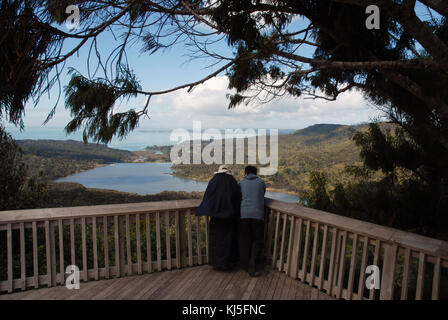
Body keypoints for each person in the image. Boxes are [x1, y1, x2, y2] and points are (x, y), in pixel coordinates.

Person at [196, 165, 241, 271]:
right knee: (229, 240)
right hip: (230, 217)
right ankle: (227, 263)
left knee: (216, 240)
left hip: (216, 217)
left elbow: (208, 197)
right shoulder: (232, 182)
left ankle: (216, 263)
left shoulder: (214, 181)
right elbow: (237, 198)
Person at [238, 165, 266, 277]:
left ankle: (244, 264)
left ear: (245, 173)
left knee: (245, 240)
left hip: (244, 214)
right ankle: (253, 263)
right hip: (258, 215)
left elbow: (239, 196)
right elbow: (262, 194)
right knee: (257, 240)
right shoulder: (261, 182)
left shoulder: (241, 183)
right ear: (256, 173)